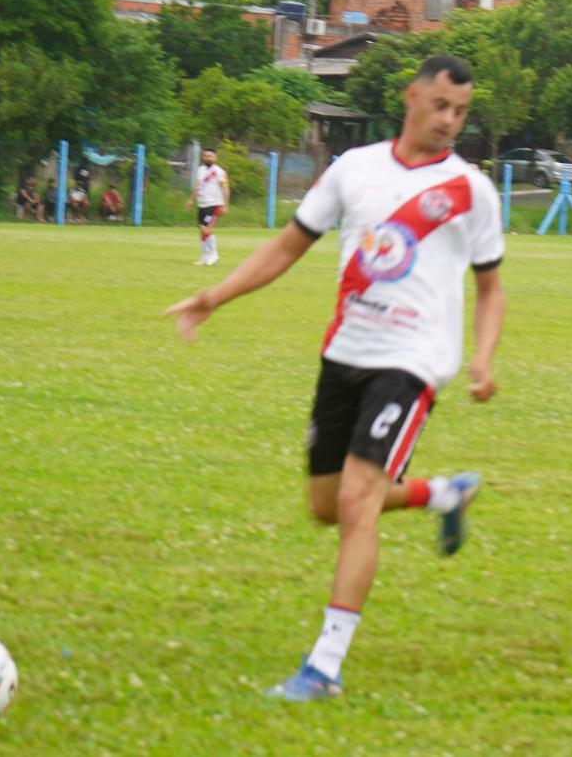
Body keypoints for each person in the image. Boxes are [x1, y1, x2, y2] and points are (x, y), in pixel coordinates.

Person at [165, 55, 505, 702]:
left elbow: (491, 289)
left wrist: (484, 357)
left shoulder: (471, 191)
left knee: (355, 500)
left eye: (460, 112)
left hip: (413, 363)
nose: (449, 122)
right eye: (439, 107)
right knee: (326, 505)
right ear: (411, 98)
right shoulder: (355, 171)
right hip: (345, 354)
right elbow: (288, 247)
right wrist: (215, 297)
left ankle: (323, 666)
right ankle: (441, 495)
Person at [184, 148, 230, 266]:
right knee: (201, 231)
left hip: (214, 204)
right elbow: (198, 186)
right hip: (202, 204)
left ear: (215, 158)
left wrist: (225, 205)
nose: (207, 158)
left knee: (205, 228)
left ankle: (214, 254)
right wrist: (191, 200)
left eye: (210, 156)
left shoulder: (219, 171)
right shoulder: (200, 170)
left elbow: (225, 188)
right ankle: (205, 257)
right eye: (205, 155)